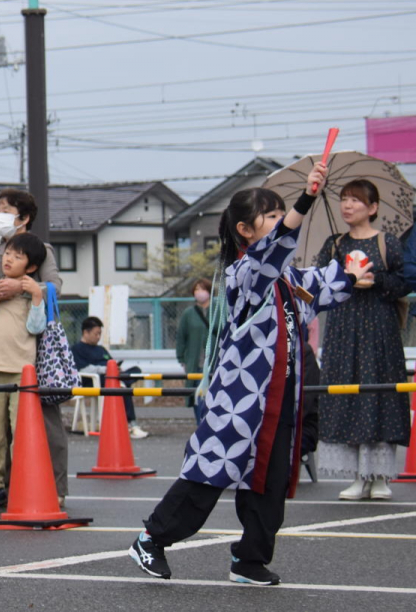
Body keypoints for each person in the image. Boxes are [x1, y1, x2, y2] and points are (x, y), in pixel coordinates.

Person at [129, 165, 366, 587]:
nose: (280, 221)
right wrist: (306, 199)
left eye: (280, 212)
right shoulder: (245, 273)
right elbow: (277, 246)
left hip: (278, 399)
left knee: (270, 483)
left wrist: (352, 270)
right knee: (209, 473)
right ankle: (151, 539)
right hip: (240, 398)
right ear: (245, 230)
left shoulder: (288, 280)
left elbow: (323, 285)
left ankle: (249, 559)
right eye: (270, 216)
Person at [0, 190, 69, 503]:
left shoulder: (41, 250)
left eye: (6, 210)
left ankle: (52, 488)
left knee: (42, 425)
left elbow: (55, 287)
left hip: (31, 356)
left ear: (24, 218)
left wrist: (22, 288)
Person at [315, 179, 410, 501]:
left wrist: (376, 280)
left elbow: (404, 282)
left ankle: (380, 477)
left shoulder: (388, 242)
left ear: (372, 207)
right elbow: (319, 283)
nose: (347, 205)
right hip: (343, 330)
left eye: (355, 200)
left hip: (379, 330)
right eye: (344, 199)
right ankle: (358, 476)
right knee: (347, 397)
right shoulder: (334, 244)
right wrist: (343, 278)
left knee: (380, 396)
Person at [0, 233, 48, 510]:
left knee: (20, 431)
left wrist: (36, 295)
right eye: (8, 254)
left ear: (31, 267)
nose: (8, 259)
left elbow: (36, 327)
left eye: (17, 256)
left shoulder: (30, 293)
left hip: (22, 372)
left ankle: (21, 483)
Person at [71, 317, 148, 439]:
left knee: (135, 371)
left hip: (111, 376)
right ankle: (131, 423)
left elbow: (111, 362)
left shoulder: (101, 349)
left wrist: (116, 368)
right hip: (92, 381)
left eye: (100, 334)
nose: (98, 337)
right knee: (119, 385)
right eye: (96, 334)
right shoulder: (76, 350)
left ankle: (121, 382)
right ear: (86, 332)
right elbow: (81, 370)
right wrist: (105, 370)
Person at [174, 278, 212, 425]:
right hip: (196, 364)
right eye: (196, 289)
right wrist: (181, 359)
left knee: (214, 396)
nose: (199, 292)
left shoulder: (218, 310)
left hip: (215, 362)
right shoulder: (188, 314)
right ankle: (201, 426)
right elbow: (181, 338)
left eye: (203, 289)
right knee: (198, 396)